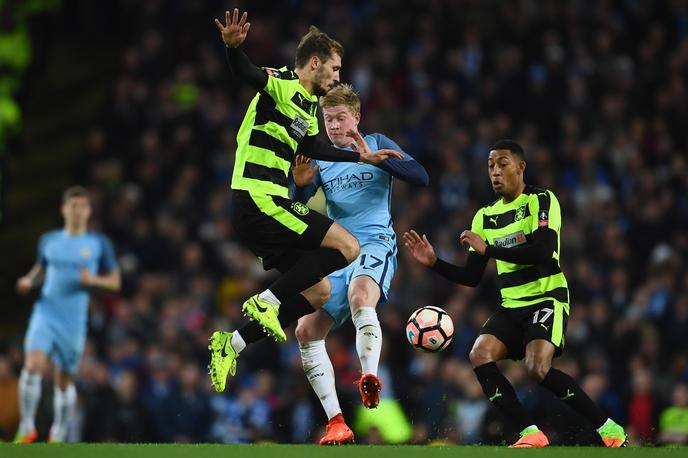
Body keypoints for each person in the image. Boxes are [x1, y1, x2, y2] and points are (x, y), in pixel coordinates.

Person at [208, 9, 403, 393]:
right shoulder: (280, 82)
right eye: (333, 68)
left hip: (269, 204)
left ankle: (231, 343)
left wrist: (358, 156)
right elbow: (247, 73)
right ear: (314, 63)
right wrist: (233, 50)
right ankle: (266, 299)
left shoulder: (310, 108)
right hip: (256, 197)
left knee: (320, 292)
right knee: (348, 245)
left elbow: (312, 145)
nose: (337, 77)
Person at [403, 140, 627, 448]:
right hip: (512, 304)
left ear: (520, 167)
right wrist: (434, 263)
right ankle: (530, 433)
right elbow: (471, 277)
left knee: (536, 368)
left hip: (547, 296)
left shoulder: (542, 200)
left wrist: (492, 249)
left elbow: (544, 251)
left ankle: (608, 428)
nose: (495, 171)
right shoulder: (484, 217)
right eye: (491, 166)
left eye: (503, 164)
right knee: (479, 354)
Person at [290, 83, 428, 444]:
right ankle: (336, 422)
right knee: (305, 331)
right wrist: (301, 187)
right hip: (339, 252)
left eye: (339, 118)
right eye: (327, 119)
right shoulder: (321, 156)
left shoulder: (378, 140)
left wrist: (384, 161)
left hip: (375, 243)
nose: (333, 126)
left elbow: (421, 177)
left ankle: (370, 376)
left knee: (359, 295)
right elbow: (300, 209)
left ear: (357, 117)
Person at [14, 186, 120, 443]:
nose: (76, 210)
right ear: (63, 210)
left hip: (73, 321)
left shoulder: (98, 243)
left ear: (89, 211)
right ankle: (26, 427)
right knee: (32, 366)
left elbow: (115, 282)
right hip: (46, 312)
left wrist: (93, 279)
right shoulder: (49, 240)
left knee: (63, 380)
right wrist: (29, 280)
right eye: (72, 206)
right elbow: (41, 267)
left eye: (82, 206)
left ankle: (58, 432)